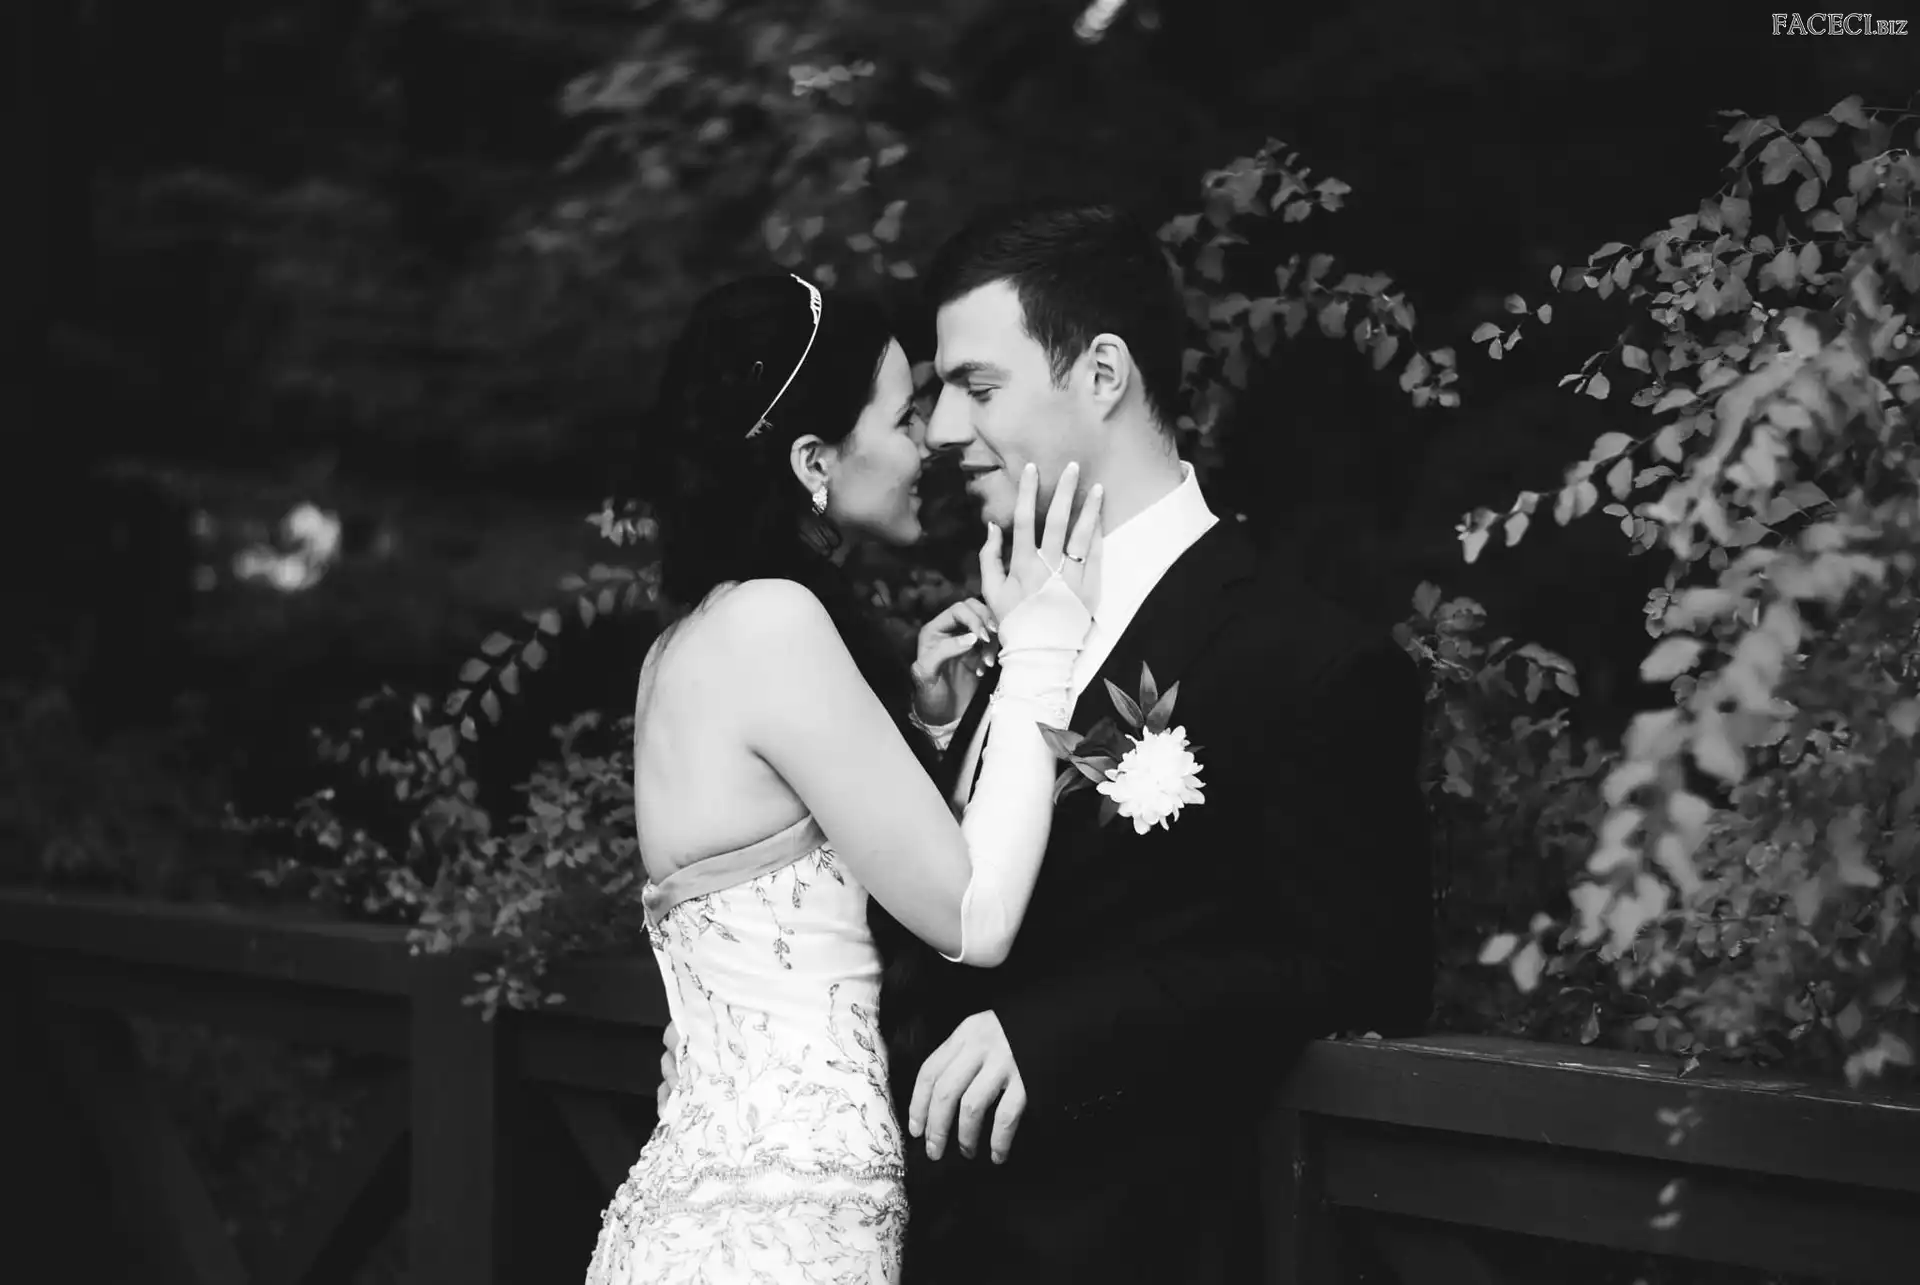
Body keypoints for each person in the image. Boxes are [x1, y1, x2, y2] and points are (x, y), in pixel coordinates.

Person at [660, 203, 1435, 1283]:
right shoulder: (999, 633)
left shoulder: (1306, 662)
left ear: (1102, 373)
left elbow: (1365, 972)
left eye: (977, 388)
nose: (940, 430)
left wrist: (1072, 1034)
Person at [583, 272, 1106, 1285]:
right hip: (787, 1231)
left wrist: (930, 727)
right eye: (904, 415)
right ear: (813, 460)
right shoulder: (775, 624)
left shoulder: (684, 646)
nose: (928, 443)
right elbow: (972, 916)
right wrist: (1045, 642)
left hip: (691, 1212)